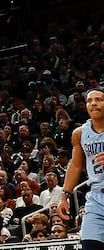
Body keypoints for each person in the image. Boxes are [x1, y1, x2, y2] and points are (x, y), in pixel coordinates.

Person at [59, 89, 104, 250]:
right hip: (96, 199)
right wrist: (65, 195)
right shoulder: (79, 133)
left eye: (99, 99)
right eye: (90, 100)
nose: (94, 103)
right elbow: (76, 165)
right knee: (89, 245)